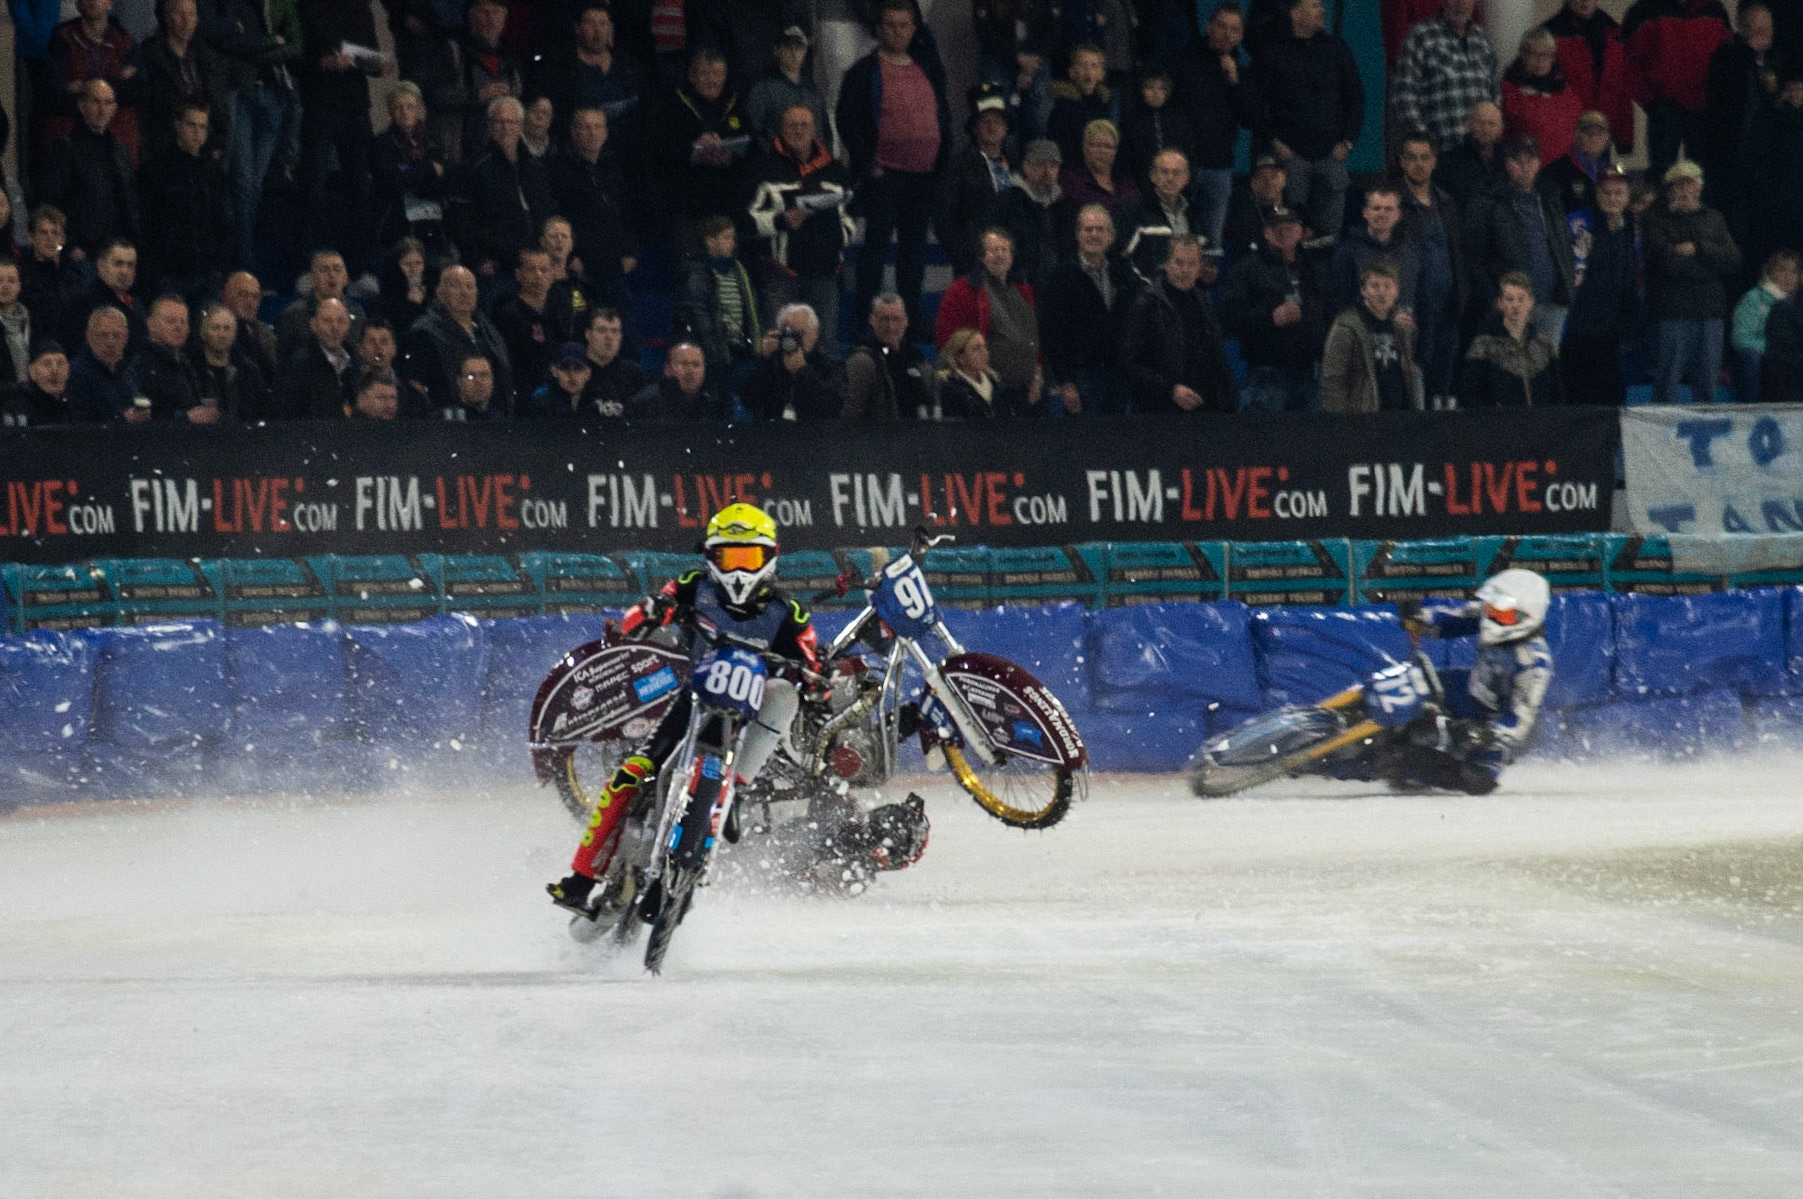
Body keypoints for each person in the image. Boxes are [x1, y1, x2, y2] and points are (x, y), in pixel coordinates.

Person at [547, 503, 927, 921]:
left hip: (751, 711)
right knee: (628, 775)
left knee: (785, 695)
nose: (740, 570)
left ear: (770, 559)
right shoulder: (693, 586)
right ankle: (580, 879)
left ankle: (734, 790)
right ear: (711, 558)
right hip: (693, 700)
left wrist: (817, 680)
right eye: (731, 557)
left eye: (750, 557)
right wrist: (647, 613)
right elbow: (647, 609)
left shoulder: (788, 612)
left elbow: (811, 662)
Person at [837, 0, 951, 335]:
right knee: (876, 249)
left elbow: (942, 115)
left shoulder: (929, 67)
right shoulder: (863, 70)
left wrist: (940, 163)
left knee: (913, 255)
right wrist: (867, 163)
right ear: (878, 28)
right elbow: (847, 121)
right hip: (884, 174)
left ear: (914, 29)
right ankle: (867, 322)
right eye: (889, 25)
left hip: (922, 175)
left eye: (903, 25)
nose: (897, 31)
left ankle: (911, 321)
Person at [1393, 569, 1554, 795]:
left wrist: (1483, 734)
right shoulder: (1487, 616)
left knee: (1477, 780)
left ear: (1528, 617)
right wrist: (1418, 616)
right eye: (1492, 610)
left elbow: (1519, 723)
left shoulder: (1535, 663)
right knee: (1410, 682)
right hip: (1469, 689)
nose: (1493, 619)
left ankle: (1395, 766)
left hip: (1496, 721)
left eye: (1505, 616)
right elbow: (1450, 620)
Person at [1249, 0, 1365, 242]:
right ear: (1295, 13)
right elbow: (1254, 104)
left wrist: (1348, 142)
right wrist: (1274, 142)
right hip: (1291, 157)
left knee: (1330, 236)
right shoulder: (1272, 53)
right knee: (1290, 232)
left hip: (1331, 155)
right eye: (1314, 5)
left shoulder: (1337, 48)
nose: (1321, 10)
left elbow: (1356, 97)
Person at [202, 0, 303, 270]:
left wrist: (257, 47)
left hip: (274, 96)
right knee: (243, 183)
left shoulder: (279, 4)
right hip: (243, 94)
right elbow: (227, 43)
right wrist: (272, 43)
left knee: (252, 187)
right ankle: (244, 266)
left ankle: (239, 263)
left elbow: (296, 46)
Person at [746, 104, 853, 351]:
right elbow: (747, 218)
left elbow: (850, 216)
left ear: (814, 129)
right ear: (781, 129)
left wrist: (840, 236)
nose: (799, 130)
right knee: (777, 347)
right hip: (780, 275)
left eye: (804, 124)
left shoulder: (835, 170)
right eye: (792, 125)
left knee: (825, 348)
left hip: (825, 275)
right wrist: (781, 221)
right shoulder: (764, 168)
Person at [1642, 159, 1741, 403]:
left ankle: (1705, 435)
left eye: (1691, 184)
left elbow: (1733, 259)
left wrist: (1696, 249)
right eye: (1680, 184)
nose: (1686, 190)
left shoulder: (1714, 217)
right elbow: (1667, 263)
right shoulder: (1656, 219)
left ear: (1700, 187)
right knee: (1668, 379)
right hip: (1673, 311)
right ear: (1670, 189)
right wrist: (1709, 263)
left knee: (1708, 380)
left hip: (1710, 312)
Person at [1464, 136, 1577, 343]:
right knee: (1511, 369)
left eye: (1530, 160)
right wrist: (1492, 298)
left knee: (1546, 370)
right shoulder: (1487, 202)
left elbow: (1563, 246)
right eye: (1518, 161)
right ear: (1507, 163)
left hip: (1552, 302)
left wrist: (1567, 283)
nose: (1524, 167)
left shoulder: (1550, 197)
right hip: (1511, 305)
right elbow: (1474, 259)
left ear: (1539, 163)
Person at [296, 0, 382, 269]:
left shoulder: (361, 8)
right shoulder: (308, 7)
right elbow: (297, 58)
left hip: (356, 106)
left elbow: (376, 60)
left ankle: (356, 266)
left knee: (360, 187)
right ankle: (304, 263)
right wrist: (324, 62)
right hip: (320, 105)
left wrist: (373, 63)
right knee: (314, 185)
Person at [1221, 208, 1327, 412]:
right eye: (1277, 228)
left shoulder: (1314, 267)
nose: (1284, 232)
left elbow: (1326, 312)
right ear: (1266, 233)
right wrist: (1269, 318)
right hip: (1266, 374)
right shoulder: (1245, 269)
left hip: (1310, 373)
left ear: (1301, 232)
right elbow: (1230, 318)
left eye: (1290, 227)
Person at [1118, 235, 1239, 413]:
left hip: (1203, 406)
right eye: (1179, 263)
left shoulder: (1203, 303)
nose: (1185, 270)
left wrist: (1229, 398)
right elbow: (1128, 363)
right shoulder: (1146, 302)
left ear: (1199, 268)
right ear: (1165, 264)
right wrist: (1170, 389)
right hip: (1159, 410)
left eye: (1192, 264)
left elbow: (1217, 355)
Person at [1039, 204, 1138, 416]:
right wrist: (1066, 381)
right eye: (1088, 229)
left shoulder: (1124, 274)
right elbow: (1052, 333)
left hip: (1119, 374)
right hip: (1082, 376)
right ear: (1077, 235)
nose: (1094, 234)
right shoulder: (1061, 276)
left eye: (1100, 229)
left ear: (1111, 236)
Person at [932, 228, 1042, 414]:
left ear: (1012, 255)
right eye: (993, 250)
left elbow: (1035, 337)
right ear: (982, 257)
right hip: (988, 393)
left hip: (1030, 390)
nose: (1000, 255)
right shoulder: (961, 291)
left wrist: (1038, 377)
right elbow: (947, 342)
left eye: (1004, 249)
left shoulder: (1025, 289)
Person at [650, 46, 752, 245]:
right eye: (705, 74)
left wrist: (732, 156)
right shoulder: (672, 105)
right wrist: (693, 149)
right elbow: (659, 150)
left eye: (718, 74)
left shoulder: (735, 103)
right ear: (691, 76)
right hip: (687, 206)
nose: (712, 80)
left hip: (726, 205)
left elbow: (751, 146)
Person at [1395, 132, 1468, 407]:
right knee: (1414, 389)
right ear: (1402, 162)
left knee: (1443, 386)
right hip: (1413, 311)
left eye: (1425, 157)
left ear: (1435, 161)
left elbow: (1458, 256)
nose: (1419, 164)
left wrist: (1462, 297)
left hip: (1448, 309)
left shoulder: (1447, 203)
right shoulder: (1393, 203)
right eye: (1412, 158)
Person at [1622, 0, 1733, 181]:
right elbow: (1628, 63)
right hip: (1665, 109)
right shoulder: (1644, 11)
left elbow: (1728, 58)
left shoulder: (1714, 10)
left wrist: (1719, 100)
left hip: (1704, 109)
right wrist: (1651, 102)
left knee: (1701, 177)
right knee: (1662, 176)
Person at [452, 97, 557, 282]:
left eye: (511, 122)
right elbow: (462, 219)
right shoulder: (474, 167)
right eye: (499, 122)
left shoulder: (535, 167)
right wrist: (477, 258)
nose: (505, 127)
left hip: (536, 261)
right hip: (497, 263)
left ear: (521, 125)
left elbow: (547, 211)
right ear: (490, 125)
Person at [137, 100, 235, 299]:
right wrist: (156, 270)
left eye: (203, 127)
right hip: (170, 275)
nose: (197, 132)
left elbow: (224, 223)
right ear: (178, 125)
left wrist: (219, 268)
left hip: (208, 275)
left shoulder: (214, 172)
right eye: (192, 125)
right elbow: (146, 222)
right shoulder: (156, 169)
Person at [37, 80, 141, 260]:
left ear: (115, 107)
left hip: (117, 250)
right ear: (82, 105)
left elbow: (129, 200)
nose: (102, 110)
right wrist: (69, 246)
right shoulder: (65, 149)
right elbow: (50, 202)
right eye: (96, 102)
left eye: (108, 103)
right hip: (84, 253)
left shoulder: (120, 151)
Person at [1563, 167, 1641, 406]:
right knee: (1579, 389)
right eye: (1607, 192)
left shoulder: (1632, 228)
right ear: (1597, 193)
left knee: (1610, 391)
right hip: (1580, 322)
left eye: (1619, 193)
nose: (1613, 198)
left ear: (1627, 196)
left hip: (1614, 325)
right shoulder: (1580, 223)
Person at [1179, 3, 1252, 249]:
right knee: (1179, 241)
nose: (1227, 33)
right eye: (1221, 26)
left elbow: (1249, 119)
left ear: (1240, 35)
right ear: (1209, 27)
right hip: (1185, 164)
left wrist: (1234, 81)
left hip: (1220, 166)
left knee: (1212, 245)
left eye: (1234, 29)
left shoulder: (1240, 72)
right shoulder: (1186, 61)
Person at [1389, 0, 1498, 157]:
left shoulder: (1481, 40)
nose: (1460, 4)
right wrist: (1425, 141)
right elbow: (1404, 95)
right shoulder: (1421, 35)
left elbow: (1494, 94)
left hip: (1479, 155)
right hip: (1439, 153)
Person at [402, 264, 514, 412]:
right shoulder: (425, 332)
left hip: (494, 418)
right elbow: (416, 384)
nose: (464, 293)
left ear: (477, 293)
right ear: (440, 293)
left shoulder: (490, 332)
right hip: (448, 421)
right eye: (456, 286)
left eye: (469, 287)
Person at [1705, 3, 1777, 231]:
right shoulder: (1727, 55)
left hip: (1768, 152)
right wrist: (1748, 52)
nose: (1764, 35)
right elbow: (1725, 93)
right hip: (1734, 150)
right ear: (1744, 29)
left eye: (1768, 28)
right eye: (1758, 29)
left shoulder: (1778, 59)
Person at [672, 215, 761, 396]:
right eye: (726, 238)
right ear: (710, 241)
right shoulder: (698, 271)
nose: (732, 243)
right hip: (714, 351)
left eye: (733, 238)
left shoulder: (739, 270)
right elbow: (699, 310)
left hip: (739, 347)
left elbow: (750, 309)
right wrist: (712, 346)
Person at [936, 83, 1019, 279]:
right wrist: (965, 254)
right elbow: (944, 218)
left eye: (998, 121)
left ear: (1006, 128)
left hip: (1014, 263)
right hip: (973, 262)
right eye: (985, 121)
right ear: (974, 128)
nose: (992, 127)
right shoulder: (958, 167)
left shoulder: (1016, 165)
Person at [1322, 258, 1424, 411]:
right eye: (1375, 286)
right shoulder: (1346, 326)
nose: (1381, 293)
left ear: (1396, 291)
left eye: (1387, 286)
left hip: (1400, 415)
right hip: (1363, 417)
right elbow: (1333, 378)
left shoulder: (1400, 326)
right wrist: (1340, 420)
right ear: (1364, 290)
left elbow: (1408, 373)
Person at [141, 0, 231, 165]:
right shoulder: (152, 56)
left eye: (191, 14)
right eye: (179, 13)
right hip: (167, 149)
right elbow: (147, 109)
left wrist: (220, 142)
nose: (186, 20)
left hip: (205, 147)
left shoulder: (206, 56)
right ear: (167, 17)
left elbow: (219, 102)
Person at [369, 82, 451, 257]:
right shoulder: (382, 143)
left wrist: (410, 173)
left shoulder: (432, 139)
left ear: (419, 109)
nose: (405, 112)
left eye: (410, 106)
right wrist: (428, 167)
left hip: (433, 222)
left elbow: (444, 175)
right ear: (390, 112)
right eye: (398, 107)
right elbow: (392, 181)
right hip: (396, 222)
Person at [1462, 271, 1566, 406]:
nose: (1515, 305)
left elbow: (1558, 394)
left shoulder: (1544, 345)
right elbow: (1471, 394)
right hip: (1500, 423)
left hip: (1541, 423)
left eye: (1521, 299)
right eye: (1509, 299)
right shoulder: (1485, 345)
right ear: (1500, 303)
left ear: (1531, 302)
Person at [1546, 0, 1633, 156]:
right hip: (1566, 131)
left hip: (1601, 130)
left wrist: (1624, 138)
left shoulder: (1614, 32)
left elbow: (1621, 89)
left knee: (1600, 178)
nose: (1584, 1)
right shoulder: (1550, 34)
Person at [1327, 183, 1421, 320]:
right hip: (1362, 335)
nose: (1382, 214)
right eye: (1377, 208)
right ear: (1365, 212)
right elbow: (1338, 303)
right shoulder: (1347, 253)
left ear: (1398, 215)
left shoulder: (1410, 252)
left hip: (1403, 336)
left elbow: (1418, 297)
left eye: (1388, 209)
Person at [985, 139, 1067, 292]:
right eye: (1040, 164)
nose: (1047, 171)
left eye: (1053, 165)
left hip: (1054, 286)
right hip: (1014, 286)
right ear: (1026, 166)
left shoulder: (1063, 205)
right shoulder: (1007, 201)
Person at [1121, 149, 1211, 287]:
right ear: (1153, 175)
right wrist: (1146, 288)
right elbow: (1121, 260)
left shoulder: (1195, 214)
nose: (1170, 178)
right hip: (1147, 297)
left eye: (1176, 173)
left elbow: (1200, 259)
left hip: (1186, 296)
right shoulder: (1135, 212)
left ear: (1186, 178)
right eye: (1164, 172)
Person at [740, 303, 845, 422]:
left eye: (799, 334)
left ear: (815, 334)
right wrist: (763, 359)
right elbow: (749, 401)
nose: (793, 341)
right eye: (788, 335)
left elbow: (832, 407)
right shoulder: (773, 362)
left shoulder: (829, 364)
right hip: (775, 432)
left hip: (815, 433)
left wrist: (803, 371)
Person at [843, 292, 938, 420]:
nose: (891, 326)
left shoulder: (918, 360)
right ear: (872, 320)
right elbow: (851, 415)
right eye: (884, 319)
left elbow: (934, 407)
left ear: (906, 321)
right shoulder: (862, 362)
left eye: (896, 319)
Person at [492, 247, 567, 403]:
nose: (538, 275)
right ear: (518, 274)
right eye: (531, 270)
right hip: (525, 399)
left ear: (552, 275)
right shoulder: (508, 314)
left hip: (559, 395)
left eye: (543, 270)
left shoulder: (560, 311)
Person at [124, 293, 213, 423]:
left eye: (183, 321)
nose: (179, 327)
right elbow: (142, 419)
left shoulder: (185, 363)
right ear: (151, 324)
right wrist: (186, 419)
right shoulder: (140, 367)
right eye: (170, 321)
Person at [1501, 28, 1583, 168]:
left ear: (1553, 58)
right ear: (1522, 54)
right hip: (1526, 169)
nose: (1539, 60)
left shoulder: (1565, 91)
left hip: (1565, 168)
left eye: (1545, 55)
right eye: (1533, 54)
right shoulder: (1508, 90)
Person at [275, 249, 365, 367]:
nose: (331, 275)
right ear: (312, 279)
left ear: (346, 278)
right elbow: (283, 362)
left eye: (337, 270)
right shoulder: (293, 315)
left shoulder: (356, 312)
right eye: (324, 270)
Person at [275, 295, 358, 419]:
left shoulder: (356, 361)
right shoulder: (298, 366)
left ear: (348, 325)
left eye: (341, 321)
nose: (335, 328)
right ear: (313, 325)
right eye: (327, 321)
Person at [61, 238, 147, 354]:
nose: (124, 271)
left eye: (130, 265)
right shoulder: (84, 303)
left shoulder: (137, 304)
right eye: (118, 264)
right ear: (101, 265)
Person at [1732, 250, 1798, 401]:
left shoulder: (1798, 304)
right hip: (1762, 353)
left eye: (1794, 271)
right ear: (1769, 271)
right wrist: (1771, 351)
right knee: (1753, 359)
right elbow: (1741, 337)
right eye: (1782, 269)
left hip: (1790, 356)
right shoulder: (1753, 299)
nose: (1788, 276)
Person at [745, 25, 827, 142]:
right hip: (778, 158)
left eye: (798, 47)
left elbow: (824, 131)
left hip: (814, 159)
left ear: (805, 51)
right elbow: (754, 132)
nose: (793, 52)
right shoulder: (763, 90)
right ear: (777, 50)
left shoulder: (814, 91)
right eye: (788, 46)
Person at [1119, 68, 1193, 196]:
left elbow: (1188, 153)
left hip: (1176, 188)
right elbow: (1125, 157)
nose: (1155, 93)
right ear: (1142, 90)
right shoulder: (1130, 120)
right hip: (1139, 187)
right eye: (1150, 88)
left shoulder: (1178, 120)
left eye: (1161, 88)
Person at [1059, 119, 1140, 233]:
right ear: (1085, 148)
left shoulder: (1127, 186)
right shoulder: (1071, 182)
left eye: (1108, 146)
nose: (1102, 151)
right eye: (1096, 145)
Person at [189, 301, 266, 419]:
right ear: (203, 333)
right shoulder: (190, 369)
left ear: (234, 334)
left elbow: (261, 411)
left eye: (227, 328)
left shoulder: (249, 371)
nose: (222, 334)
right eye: (215, 328)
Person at [1046, 44, 1114, 168]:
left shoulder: (1103, 103)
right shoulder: (1063, 107)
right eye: (1082, 65)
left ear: (1101, 73)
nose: (1088, 72)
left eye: (1094, 66)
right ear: (1071, 72)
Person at [65, 307, 136, 423]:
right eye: (103, 335)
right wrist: (122, 419)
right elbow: (81, 423)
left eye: (117, 335)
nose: (110, 342)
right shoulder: (75, 374)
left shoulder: (128, 372)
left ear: (126, 338)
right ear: (89, 337)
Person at [578, 307, 649, 421]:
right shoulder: (574, 370)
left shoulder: (634, 373)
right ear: (588, 334)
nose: (609, 337)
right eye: (602, 330)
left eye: (615, 331)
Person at [1435, 99, 1505, 214]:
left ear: (1500, 128)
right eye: (1480, 123)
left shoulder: (1508, 160)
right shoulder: (1449, 161)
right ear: (1469, 125)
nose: (1485, 129)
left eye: (1491, 124)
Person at [1543, 110, 1617, 216]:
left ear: (1607, 138)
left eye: (1599, 133)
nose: (1594, 138)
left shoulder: (1612, 172)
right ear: (1577, 135)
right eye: (1588, 133)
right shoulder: (1557, 171)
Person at [937, 327, 1014, 419]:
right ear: (960, 358)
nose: (984, 352)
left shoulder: (998, 386)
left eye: (985, 347)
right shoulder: (949, 388)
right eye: (976, 348)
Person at [1, 343, 73, 428]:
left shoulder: (74, 403)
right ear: (32, 371)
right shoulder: (17, 407)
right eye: (47, 364)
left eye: (60, 363)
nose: (55, 370)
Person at [222, 268, 276, 379]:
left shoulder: (265, 333)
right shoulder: (219, 330)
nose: (250, 303)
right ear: (226, 297)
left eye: (255, 297)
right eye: (243, 295)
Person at [526, 341, 595, 419]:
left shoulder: (597, 402)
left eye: (578, 369)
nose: (571, 375)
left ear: (587, 373)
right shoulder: (541, 403)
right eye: (565, 368)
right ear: (554, 371)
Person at [437, 352, 508, 421]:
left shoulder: (499, 419)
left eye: (484, 375)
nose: (478, 381)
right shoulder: (444, 418)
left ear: (492, 379)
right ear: (459, 381)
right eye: (470, 376)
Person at [0, 262, 34, 387]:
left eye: (11, 281)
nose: (5, 286)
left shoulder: (31, 319)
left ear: (19, 286)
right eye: (0, 281)